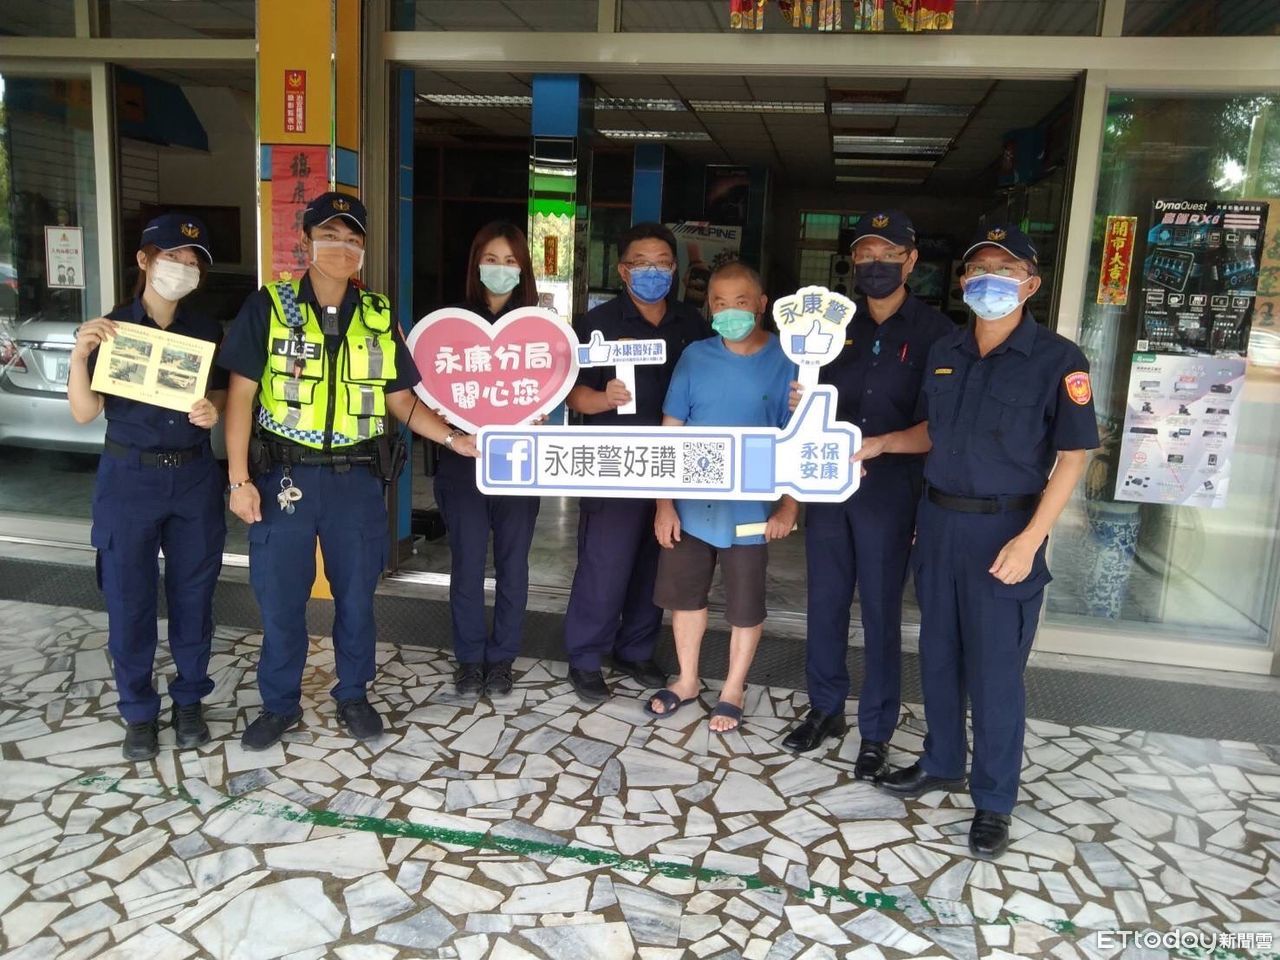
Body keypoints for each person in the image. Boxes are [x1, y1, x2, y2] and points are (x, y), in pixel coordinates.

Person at [868, 224, 1099, 859]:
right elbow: (935, 432)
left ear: (1031, 284)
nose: (988, 280)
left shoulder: (1058, 360)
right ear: (963, 280)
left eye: (1005, 270)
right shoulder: (947, 348)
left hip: (1005, 532)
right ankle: (942, 760)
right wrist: (884, 443)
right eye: (978, 270)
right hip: (939, 524)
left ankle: (994, 800)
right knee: (938, 655)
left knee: (995, 674)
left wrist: (1031, 540)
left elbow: (1074, 458)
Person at [219, 192, 476, 750]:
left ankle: (353, 694)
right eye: (330, 236)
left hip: (356, 481)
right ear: (305, 242)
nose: (342, 247)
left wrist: (454, 438)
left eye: (353, 239)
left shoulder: (379, 316)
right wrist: (239, 480)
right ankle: (279, 704)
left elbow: (401, 400)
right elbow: (240, 396)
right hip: (283, 478)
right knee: (281, 600)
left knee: (357, 599)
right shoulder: (269, 306)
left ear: (364, 249)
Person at [782, 210, 953, 781]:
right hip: (830, 485)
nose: (875, 264)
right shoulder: (831, 326)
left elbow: (939, 427)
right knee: (825, 602)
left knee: (881, 611)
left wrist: (883, 444)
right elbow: (812, 405)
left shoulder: (937, 334)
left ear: (911, 261)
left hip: (891, 491)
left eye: (888, 255)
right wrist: (801, 402)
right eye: (865, 255)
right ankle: (825, 708)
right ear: (851, 261)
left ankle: (876, 730)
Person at [68, 213, 225, 761]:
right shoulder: (111, 329)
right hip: (129, 478)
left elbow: (219, 394)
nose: (182, 268)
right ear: (144, 259)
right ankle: (138, 711)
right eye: (172, 257)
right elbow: (85, 412)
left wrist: (212, 410)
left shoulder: (206, 330)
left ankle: (189, 700)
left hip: (193, 477)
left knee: (193, 597)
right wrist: (80, 353)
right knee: (129, 601)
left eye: (192, 261)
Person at [563, 223, 711, 702]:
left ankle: (635, 650)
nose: (653, 272)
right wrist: (603, 398)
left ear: (675, 269)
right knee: (605, 563)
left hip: (674, 463)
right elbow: (572, 395)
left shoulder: (692, 324)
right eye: (642, 263)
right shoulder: (596, 323)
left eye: (663, 263)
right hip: (615, 463)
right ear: (623, 270)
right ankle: (587, 657)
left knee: (656, 561)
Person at [648, 262, 797, 733]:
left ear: (762, 304)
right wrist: (664, 503)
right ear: (708, 307)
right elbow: (670, 433)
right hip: (691, 504)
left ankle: (733, 688)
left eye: (741, 301)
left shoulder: (789, 360)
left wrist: (790, 505)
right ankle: (687, 679)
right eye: (719, 302)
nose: (730, 311)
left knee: (745, 603)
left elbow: (802, 441)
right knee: (685, 596)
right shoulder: (695, 357)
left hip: (753, 508)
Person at [436, 222, 542, 698]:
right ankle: (469, 658)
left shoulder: (538, 327)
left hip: (517, 463)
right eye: (492, 259)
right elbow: (427, 389)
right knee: (467, 563)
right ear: (476, 264)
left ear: (523, 269)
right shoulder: (450, 323)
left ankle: (501, 659)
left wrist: (542, 411)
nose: (501, 269)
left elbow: (552, 387)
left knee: (513, 566)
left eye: (511, 261)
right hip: (463, 461)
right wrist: (447, 421)